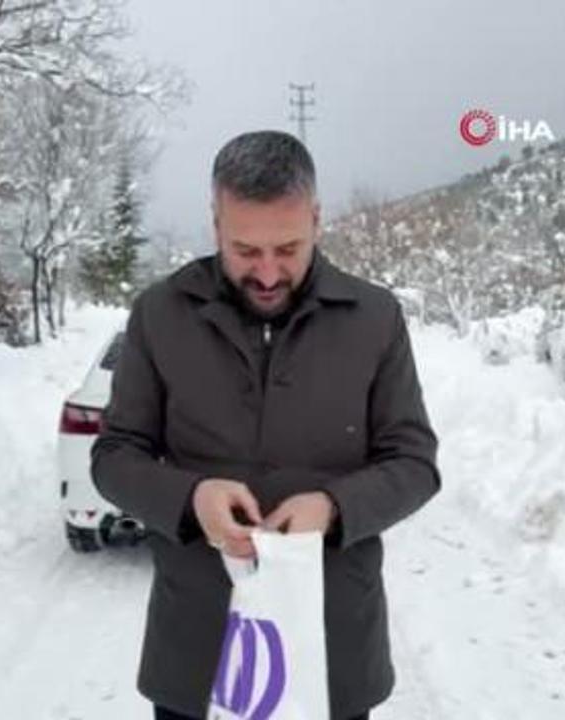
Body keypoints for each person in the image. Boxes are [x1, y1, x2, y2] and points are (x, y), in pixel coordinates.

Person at [91, 130, 440, 719]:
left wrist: (333, 508)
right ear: (216, 223)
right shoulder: (160, 313)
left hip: (333, 651)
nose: (270, 273)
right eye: (246, 250)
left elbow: (414, 462)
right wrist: (191, 498)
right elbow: (114, 456)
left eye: (288, 248)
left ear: (317, 220)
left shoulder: (375, 318)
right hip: (195, 653)